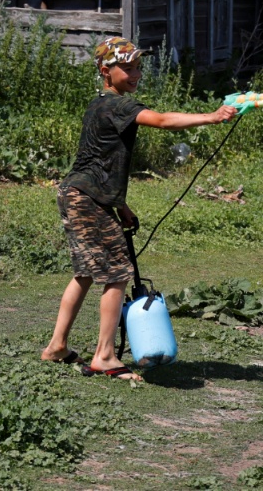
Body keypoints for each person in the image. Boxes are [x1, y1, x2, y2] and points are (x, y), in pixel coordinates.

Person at [40, 36, 237, 380]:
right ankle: (104, 356)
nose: (134, 74)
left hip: (81, 194)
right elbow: (160, 120)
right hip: (86, 198)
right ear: (105, 70)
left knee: (86, 274)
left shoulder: (99, 104)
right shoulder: (116, 106)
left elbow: (97, 161)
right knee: (117, 273)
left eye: (137, 68)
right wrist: (212, 116)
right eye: (126, 68)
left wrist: (121, 205)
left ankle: (57, 346)